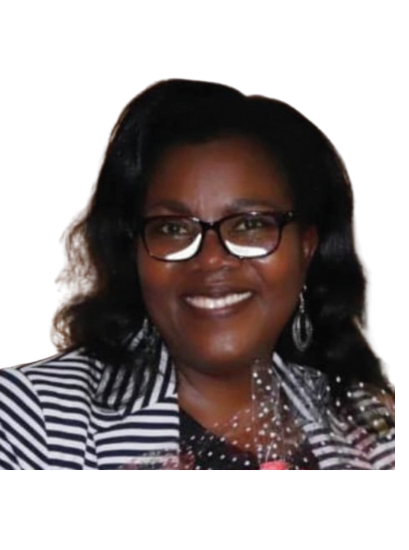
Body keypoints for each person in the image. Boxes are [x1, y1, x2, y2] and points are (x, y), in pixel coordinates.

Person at [0, 79, 395, 470]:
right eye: (173, 228)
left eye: (250, 224)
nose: (210, 260)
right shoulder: (30, 425)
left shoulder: (377, 434)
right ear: (134, 252)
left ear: (306, 246)